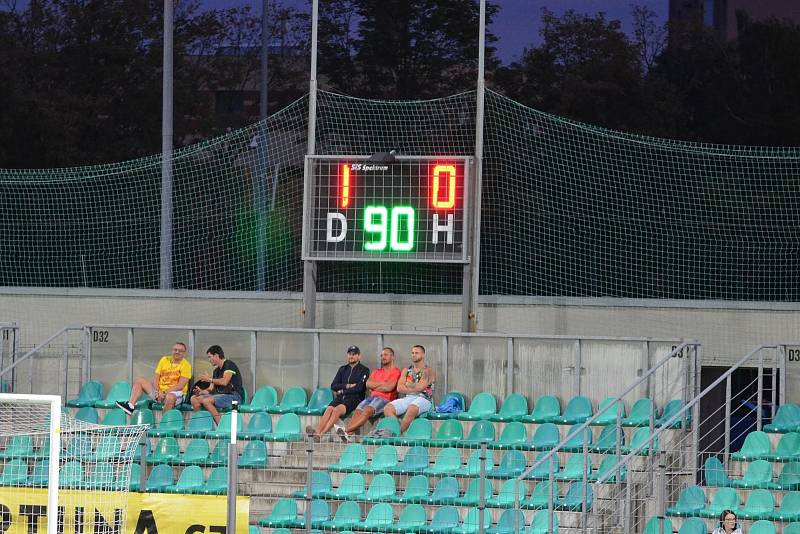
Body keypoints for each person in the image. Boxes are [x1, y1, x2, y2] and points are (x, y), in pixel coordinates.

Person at [338, 347, 401, 442]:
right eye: (381, 355)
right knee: (357, 411)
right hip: (371, 398)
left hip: (385, 399)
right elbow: (368, 384)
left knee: (367, 410)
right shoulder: (376, 372)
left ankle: (346, 431)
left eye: (385, 355)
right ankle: (348, 434)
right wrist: (383, 384)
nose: (383, 357)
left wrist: (376, 386)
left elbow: (389, 387)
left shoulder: (396, 371)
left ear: (392, 357)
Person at [308, 345, 370, 439]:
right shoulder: (343, 369)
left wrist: (342, 391)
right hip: (341, 397)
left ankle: (321, 434)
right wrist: (347, 386)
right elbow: (333, 385)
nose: (351, 356)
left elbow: (359, 388)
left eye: (354, 354)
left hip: (354, 398)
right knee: (329, 409)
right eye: (349, 354)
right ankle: (317, 431)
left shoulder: (364, 370)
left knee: (336, 410)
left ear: (359, 356)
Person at [116, 342, 192, 415]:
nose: (177, 352)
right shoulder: (164, 360)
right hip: (159, 392)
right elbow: (156, 378)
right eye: (175, 350)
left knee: (170, 397)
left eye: (180, 351)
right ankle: (130, 406)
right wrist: (158, 391)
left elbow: (180, 385)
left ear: (184, 353)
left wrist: (164, 393)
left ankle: (164, 422)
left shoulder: (186, 365)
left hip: (175, 394)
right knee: (140, 380)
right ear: (172, 351)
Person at [384, 344, 435, 433]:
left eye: (416, 353)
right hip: (408, 398)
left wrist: (407, 384)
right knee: (388, 408)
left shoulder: (428, 371)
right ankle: (398, 429)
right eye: (412, 353)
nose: (414, 355)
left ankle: (397, 433)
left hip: (424, 399)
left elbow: (420, 388)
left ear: (423, 355)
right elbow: (399, 388)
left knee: (412, 408)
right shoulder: (406, 370)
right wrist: (414, 386)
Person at [190, 345, 244, 424]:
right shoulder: (216, 371)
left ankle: (220, 426)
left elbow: (225, 381)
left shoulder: (229, 364)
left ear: (216, 355)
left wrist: (209, 379)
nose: (209, 360)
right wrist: (201, 392)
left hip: (234, 396)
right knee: (194, 399)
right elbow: (210, 389)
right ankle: (201, 424)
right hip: (220, 395)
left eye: (209, 357)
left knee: (206, 401)